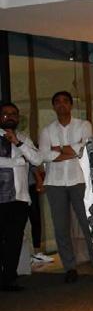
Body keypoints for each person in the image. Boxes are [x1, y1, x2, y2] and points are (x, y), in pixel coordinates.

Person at [38, 90, 93, 283]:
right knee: (61, 228)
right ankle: (70, 267)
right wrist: (73, 150)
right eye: (57, 102)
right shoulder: (47, 131)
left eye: (65, 101)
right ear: (54, 106)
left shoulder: (84, 125)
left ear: (71, 105)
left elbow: (87, 148)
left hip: (79, 180)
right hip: (55, 183)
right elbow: (44, 155)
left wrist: (59, 149)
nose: (61, 104)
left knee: (88, 224)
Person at [0, 102, 42, 291]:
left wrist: (17, 142)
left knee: (14, 241)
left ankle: (9, 279)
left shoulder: (23, 138)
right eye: (5, 113)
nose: (10, 116)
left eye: (13, 114)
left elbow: (37, 159)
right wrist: (17, 161)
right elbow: (19, 162)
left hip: (19, 198)